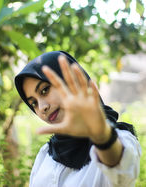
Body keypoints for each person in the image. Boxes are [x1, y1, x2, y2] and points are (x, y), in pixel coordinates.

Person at [15, 51, 141, 187]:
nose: (42, 107)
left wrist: (102, 137)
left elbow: (121, 170)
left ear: (71, 81)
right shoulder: (46, 153)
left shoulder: (120, 140)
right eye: (33, 103)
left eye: (45, 90)